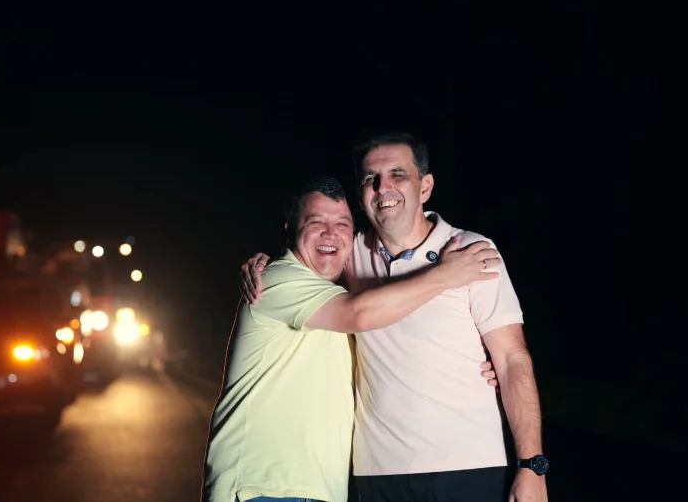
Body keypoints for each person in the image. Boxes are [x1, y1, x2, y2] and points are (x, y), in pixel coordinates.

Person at [239, 132, 548, 502]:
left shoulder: (470, 250)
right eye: (371, 179)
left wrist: (532, 465)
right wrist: (261, 261)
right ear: (361, 194)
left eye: (398, 174)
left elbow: (513, 359)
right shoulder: (351, 253)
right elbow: (308, 255)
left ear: (425, 186)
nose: (383, 187)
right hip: (378, 474)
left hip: (469, 465)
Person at [203, 177, 503, 502]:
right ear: (290, 228)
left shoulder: (331, 298)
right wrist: (447, 274)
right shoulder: (277, 279)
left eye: (342, 224)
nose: (331, 233)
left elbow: (387, 329)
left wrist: (473, 359)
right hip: (261, 487)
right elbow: (359, 313)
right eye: (316, 222)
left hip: (313, 489)